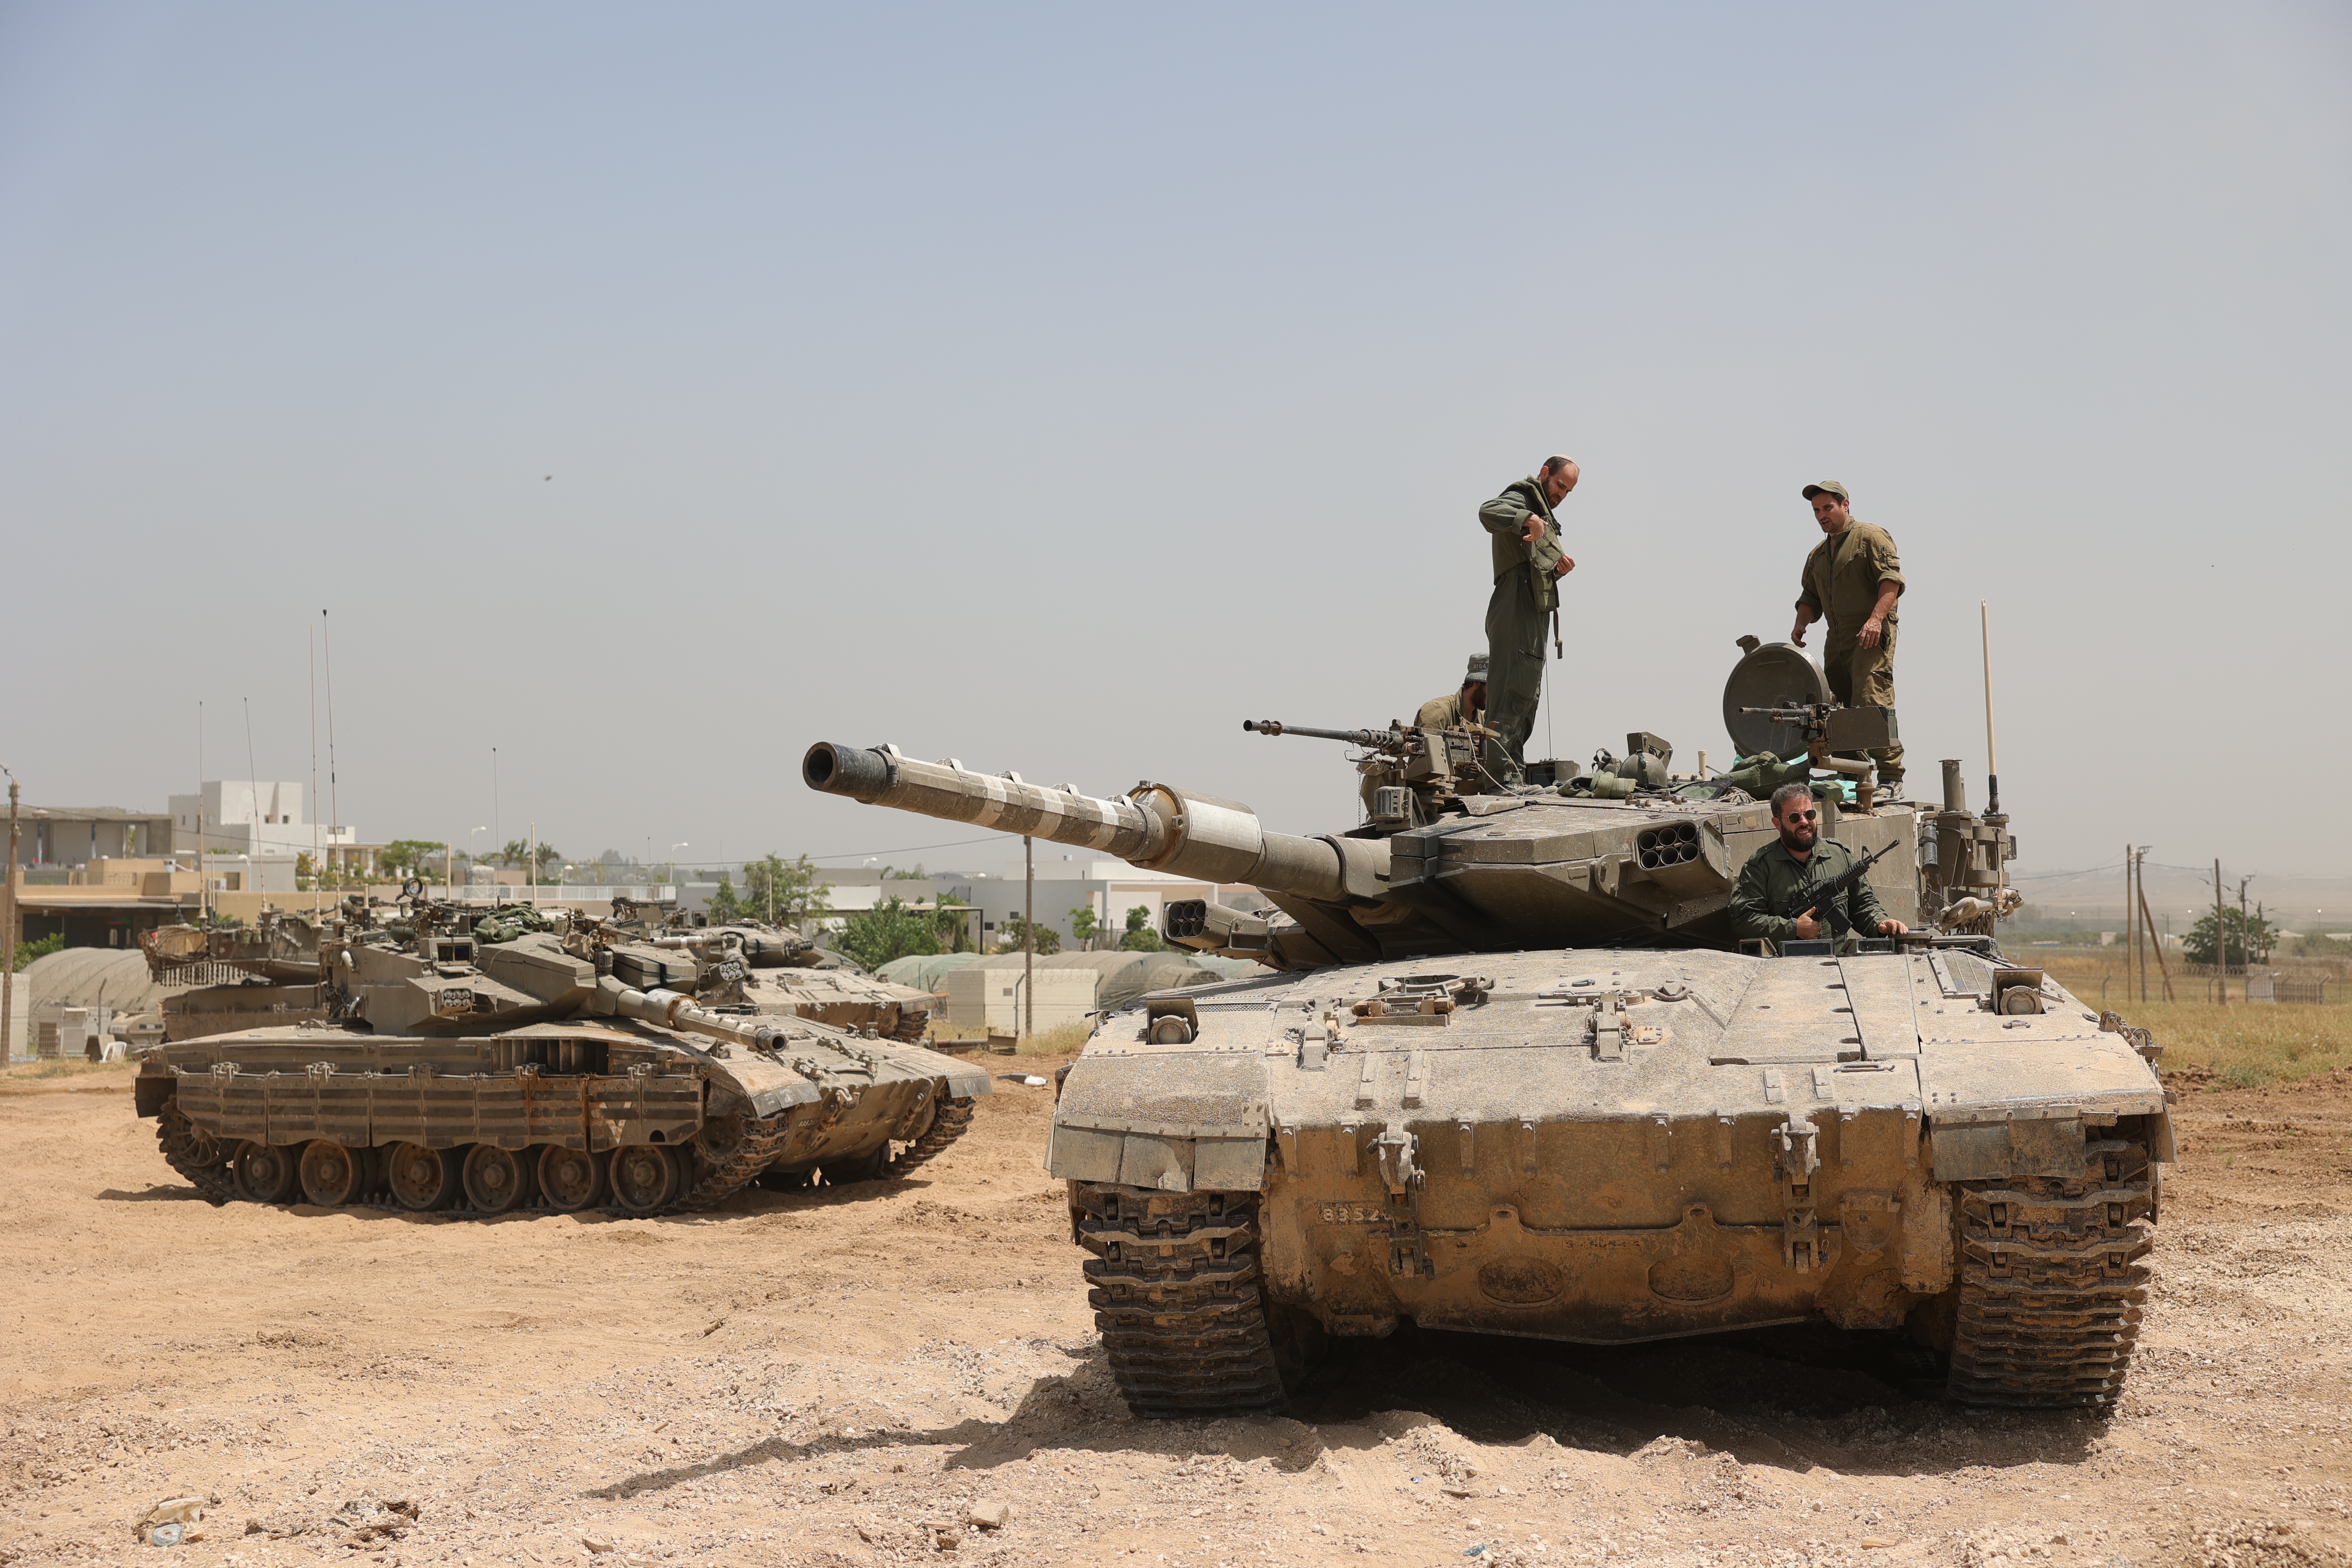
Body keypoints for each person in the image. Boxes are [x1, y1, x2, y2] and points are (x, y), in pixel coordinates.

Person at [1789, 481, 1905, 794]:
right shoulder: (1817, 555)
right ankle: (1852, 774)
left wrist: (1876, 620)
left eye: (1828, 508)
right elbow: (1809, 597)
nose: (1822, 515)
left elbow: (1891, 582)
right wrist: (1801, 623)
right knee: (1833, 707)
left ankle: (1892, 777)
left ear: (1845, 505)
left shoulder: (1869, 537)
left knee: (1872, 702)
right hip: (1836, 638)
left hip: (1869, 633)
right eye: (1816, 510)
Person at [1476, 456, 1577, 783]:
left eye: (1568, 491)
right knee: (1511, 692)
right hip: (1516, 601)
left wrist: (1557, 570)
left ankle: (1513, 774)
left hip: (1532, 607)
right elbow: (1488, 511)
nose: (1562, 494)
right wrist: (1527, 519)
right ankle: (1498, 777)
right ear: (1545, 474)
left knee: (1526, 696)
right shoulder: (1523, 499)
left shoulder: (1544, 513)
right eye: (1560, 485)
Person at [1729, 781, 1911, 945]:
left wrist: (1880, 923)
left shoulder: (1840, 855)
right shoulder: (1760, 866)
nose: (1804, 822)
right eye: (1794, 818)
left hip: (1839, 962)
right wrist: (1794, 928)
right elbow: (1744, 919)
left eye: (1809, 814)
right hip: (1786, 967)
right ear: (1778, 823)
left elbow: (1863, 903)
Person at [1415, 653, 1488, 731]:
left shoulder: (1483, 720)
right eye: (1492, 689)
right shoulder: (1436, 712)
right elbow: (1429, 742)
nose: (1495, 696)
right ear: (1477, 683)